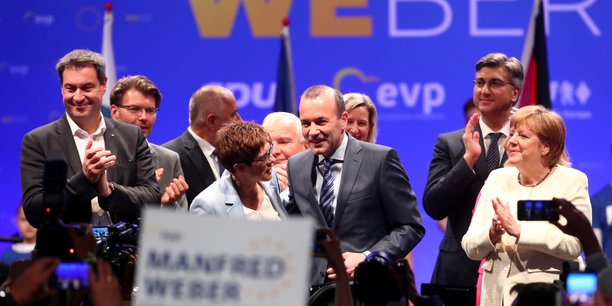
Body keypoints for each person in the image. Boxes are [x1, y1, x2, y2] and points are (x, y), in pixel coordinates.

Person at [285, 85, 425, 284]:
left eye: (321, 122)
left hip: (369, 291)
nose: (313, 131)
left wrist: (368, 257)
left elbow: (410, 226)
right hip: (315, 293)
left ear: (342, 120)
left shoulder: (380, 160)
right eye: (305, 123)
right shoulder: (296, 165)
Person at [461, 105, 592, 306]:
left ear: (546, 146)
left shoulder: (572, 181)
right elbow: (470, 246)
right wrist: (492, 234)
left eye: (522, 136)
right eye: (511, 133)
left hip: (547, 297)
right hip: (495, 297)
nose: (510, 141)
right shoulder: (497, 178)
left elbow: (574, 245)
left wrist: (520, 231)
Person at [21, 49, 160, 227]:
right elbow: (35, 213)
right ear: (61, 88)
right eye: (70, 88)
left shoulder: (132, 135)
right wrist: (84, 180)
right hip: (67, 252)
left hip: (126, 252)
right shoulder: (38, 141)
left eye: (87, 88)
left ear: (104, 85)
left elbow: (152, 200)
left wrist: (108, 190)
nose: (78, 97)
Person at [423, 53, 521, 287]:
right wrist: (467, 161)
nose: (484, 90)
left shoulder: (530, 141)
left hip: (517, 269)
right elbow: (434, 206)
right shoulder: (450, 143)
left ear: (515, 93)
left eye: (495, 83)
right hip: (459, 274)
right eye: (480, 83)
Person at [110, 75, 189, 211]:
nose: (144, 117)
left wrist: (165, 206)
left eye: (150, 110)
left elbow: (183, 224)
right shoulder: (99, 156)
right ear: (114, 112)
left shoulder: (169, 160)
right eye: (134, 109)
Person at [190, 121, 287, 220]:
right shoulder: (207, 205)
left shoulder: (272, 180)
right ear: (240, 168)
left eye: (269, 151)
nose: (272, 160)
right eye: (264, 158)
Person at [163, 85, 241, 206]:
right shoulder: (169, 157)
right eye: (233, 115)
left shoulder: (234, 153)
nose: (240, 121)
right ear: (212, 121)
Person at [262, 112, 308, 194]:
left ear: (305, 146)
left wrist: (289, 193)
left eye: (283, 142)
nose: (274, 151)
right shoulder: (252, 185)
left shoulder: (322, 178)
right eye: (268, 143)